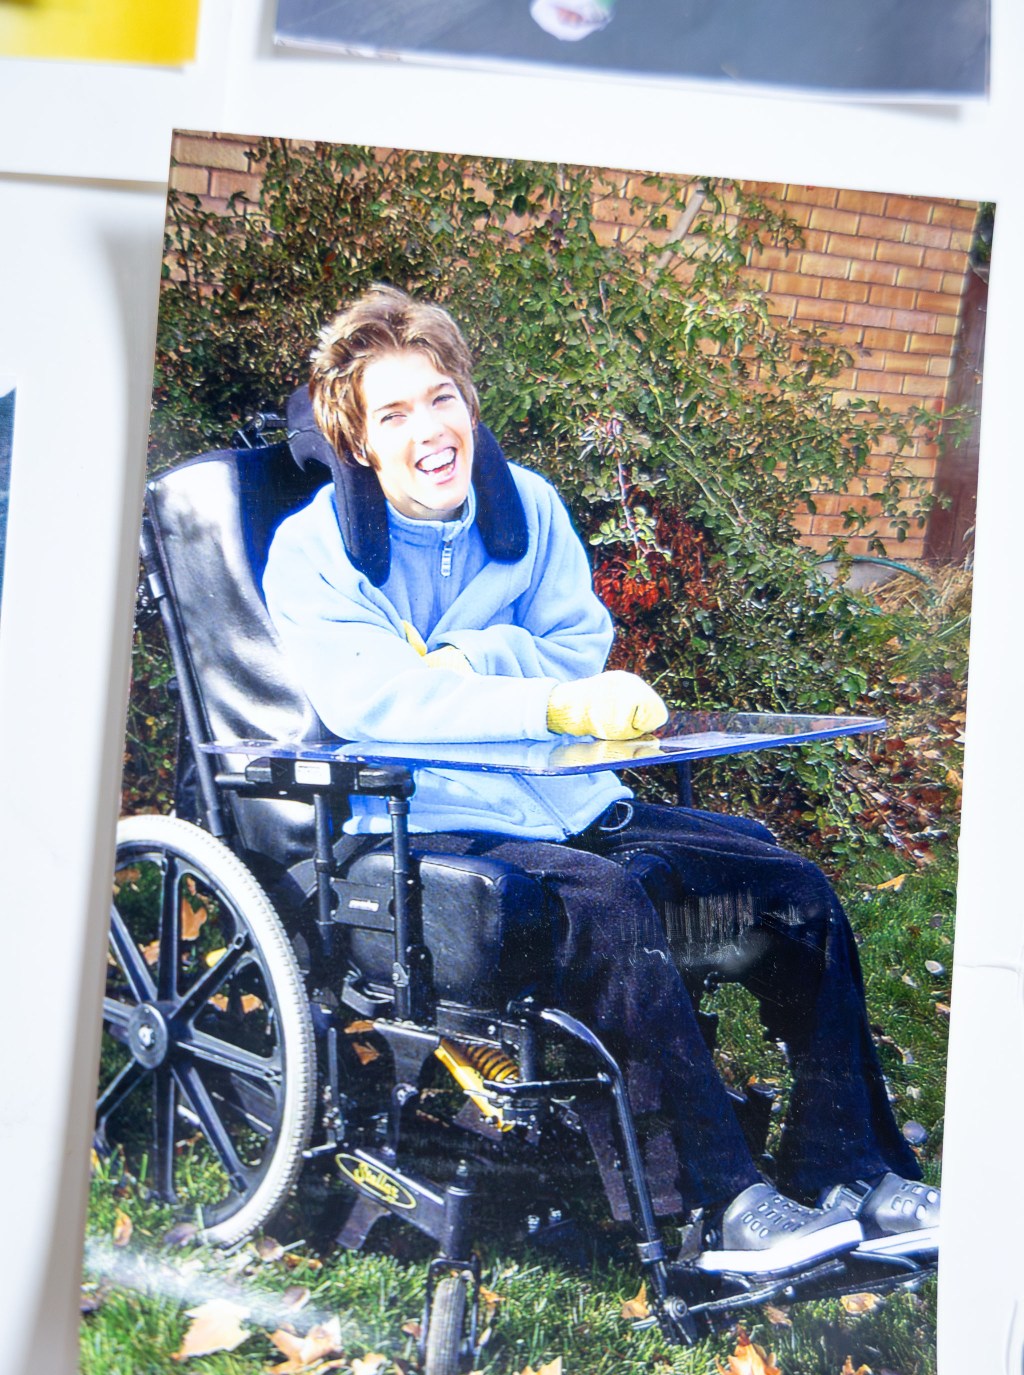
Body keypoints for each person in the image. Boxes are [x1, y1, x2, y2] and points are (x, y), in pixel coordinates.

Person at [263, 285, 940, 1276]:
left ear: (469, 403)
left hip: (567, 802)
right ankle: (717, 1206)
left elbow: (578, 644)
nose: (430, 431)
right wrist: (540, 695)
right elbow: (380, 702)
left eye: (441, 398)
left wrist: (475, 658)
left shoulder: (529, 507)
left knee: (792, 890)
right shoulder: (314, 550)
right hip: (423, 821)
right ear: (359, 442)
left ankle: (848, 1165)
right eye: (394, 414)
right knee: (612, 905)